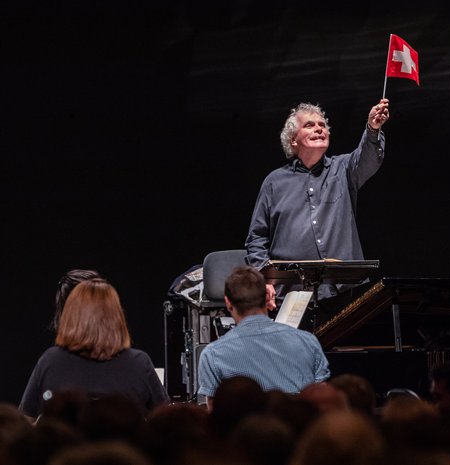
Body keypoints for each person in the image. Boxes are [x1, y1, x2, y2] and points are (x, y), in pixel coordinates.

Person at [245, 99, 390, 305]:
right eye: (310, 125)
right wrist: (264, 279)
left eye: (322, 125)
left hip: (341, 290)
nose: (319, 129)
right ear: (293, 140)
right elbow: (257, 238)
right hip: (290, 292)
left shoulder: (343, 169)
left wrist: (373, 128)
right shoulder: (274, 182)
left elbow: (369, 158)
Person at [19, 279, 169, 420]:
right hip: (121, 447)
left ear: (70, 317)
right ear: (117, 317)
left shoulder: (50, 361)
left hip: (67, 447)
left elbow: (26, 420)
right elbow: (166, 421)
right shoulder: (139, 364)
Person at [197, 266, 330, 409]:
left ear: (228, 302)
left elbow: (215, 414)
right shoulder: (308, 341)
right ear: (267, 296)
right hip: (299, 429)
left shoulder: (212, 355)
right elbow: (322, 400)